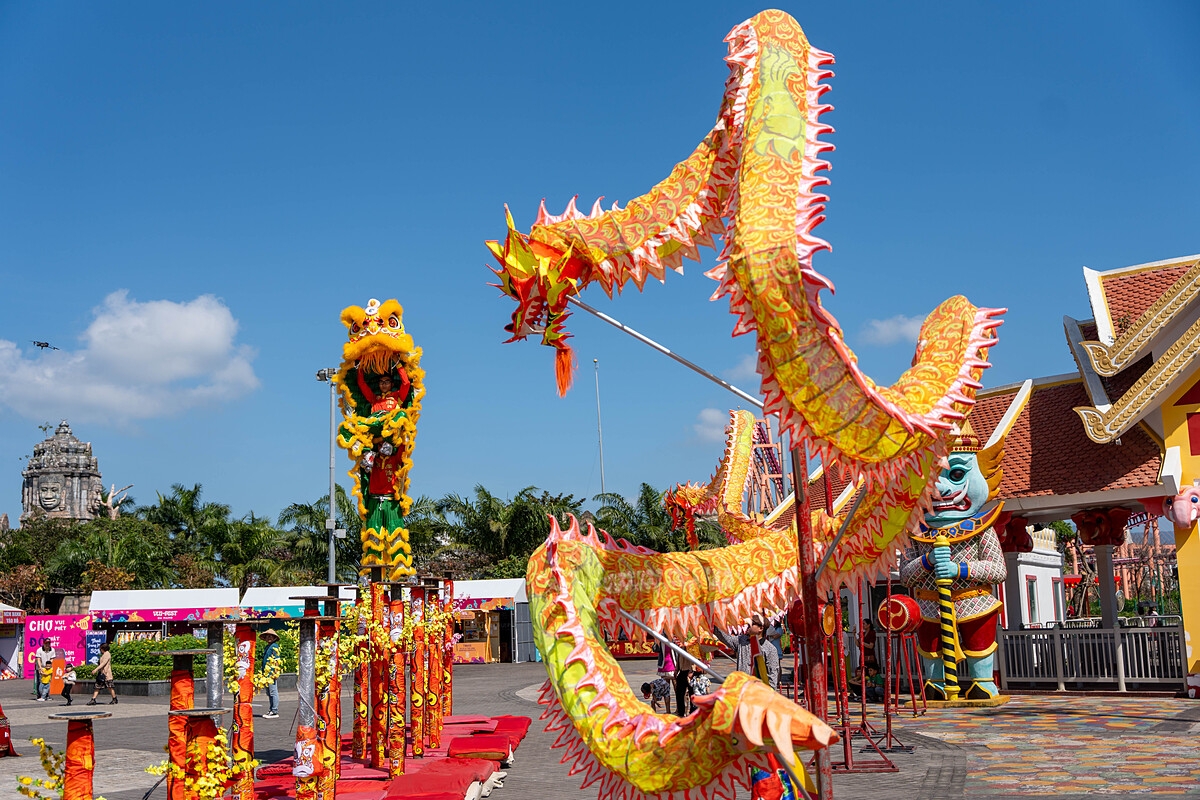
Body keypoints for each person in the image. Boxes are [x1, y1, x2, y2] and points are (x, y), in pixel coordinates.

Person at [714, 613, 780, 691]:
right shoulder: (741, 640)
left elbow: (772, 674)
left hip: (759, 693)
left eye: (752, 623)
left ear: (761, 628)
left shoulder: (770, 649)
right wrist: (713, 625)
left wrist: (769, 694)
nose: (748, 624)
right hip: (741, 690)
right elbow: (725, 638)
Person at [651, 638, 676, 714]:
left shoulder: (675, 638)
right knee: (665, 690)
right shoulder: (661, 638)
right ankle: (668, 710)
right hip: (663, 665)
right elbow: (655, 649)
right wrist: (656, 640)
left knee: (677, 688)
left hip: (674, 665)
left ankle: (679, 708)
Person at [261, 630, 281, 719]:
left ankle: (274, 710)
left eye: (271, 636)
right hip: (266, 673)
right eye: (267, 636)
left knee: (273, 692)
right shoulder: (267, 647)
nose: (269, 638)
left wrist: (276, 672)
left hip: (271, 672)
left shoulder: (274, 647)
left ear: (274, 638)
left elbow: (277, 660)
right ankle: (271, 709)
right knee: (269, 692)